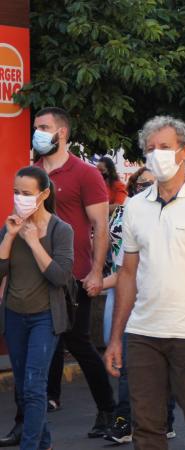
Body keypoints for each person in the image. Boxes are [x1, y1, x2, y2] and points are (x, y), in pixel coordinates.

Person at [104, 116, 185, 449]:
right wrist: (116, 338)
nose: (156, 154)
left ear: (184, 151)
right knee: (146, 426)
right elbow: (128, 274)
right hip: (143, 333)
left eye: (164, 147)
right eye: (150, 148)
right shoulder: (135, 206)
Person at [30, 107, 115, 438]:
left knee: (78, 343)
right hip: (35, 274)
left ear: (61, 132)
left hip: (73, 276)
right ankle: (33, 417)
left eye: (43, 127)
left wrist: (95, 272)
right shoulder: (31, 172)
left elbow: (101, 226)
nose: (37, 132)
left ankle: (107, 410)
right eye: (36, 127)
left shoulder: (85, 173)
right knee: (37, 345)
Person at [101, 167, 178, 444]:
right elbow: (114, 252)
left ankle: (149, 419)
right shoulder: (125, 211)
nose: (143, 187)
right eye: (139, 183)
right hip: (121, 290)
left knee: (157, 361)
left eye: (149, 183)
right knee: (120, 352)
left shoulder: (169, 213)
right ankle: (131, 418)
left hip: (154, 295)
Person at [0, 166, 73, 450]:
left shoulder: (60, 230)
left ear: (43, 194)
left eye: (26, 193)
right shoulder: (10, 227)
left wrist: (33, 242)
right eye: (16, 192)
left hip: (45, 318)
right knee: (24, 388)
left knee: (33, 386)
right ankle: (44, 443)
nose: (20, 198)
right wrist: (10, 237)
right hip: (14, 316)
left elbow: (60, 277)